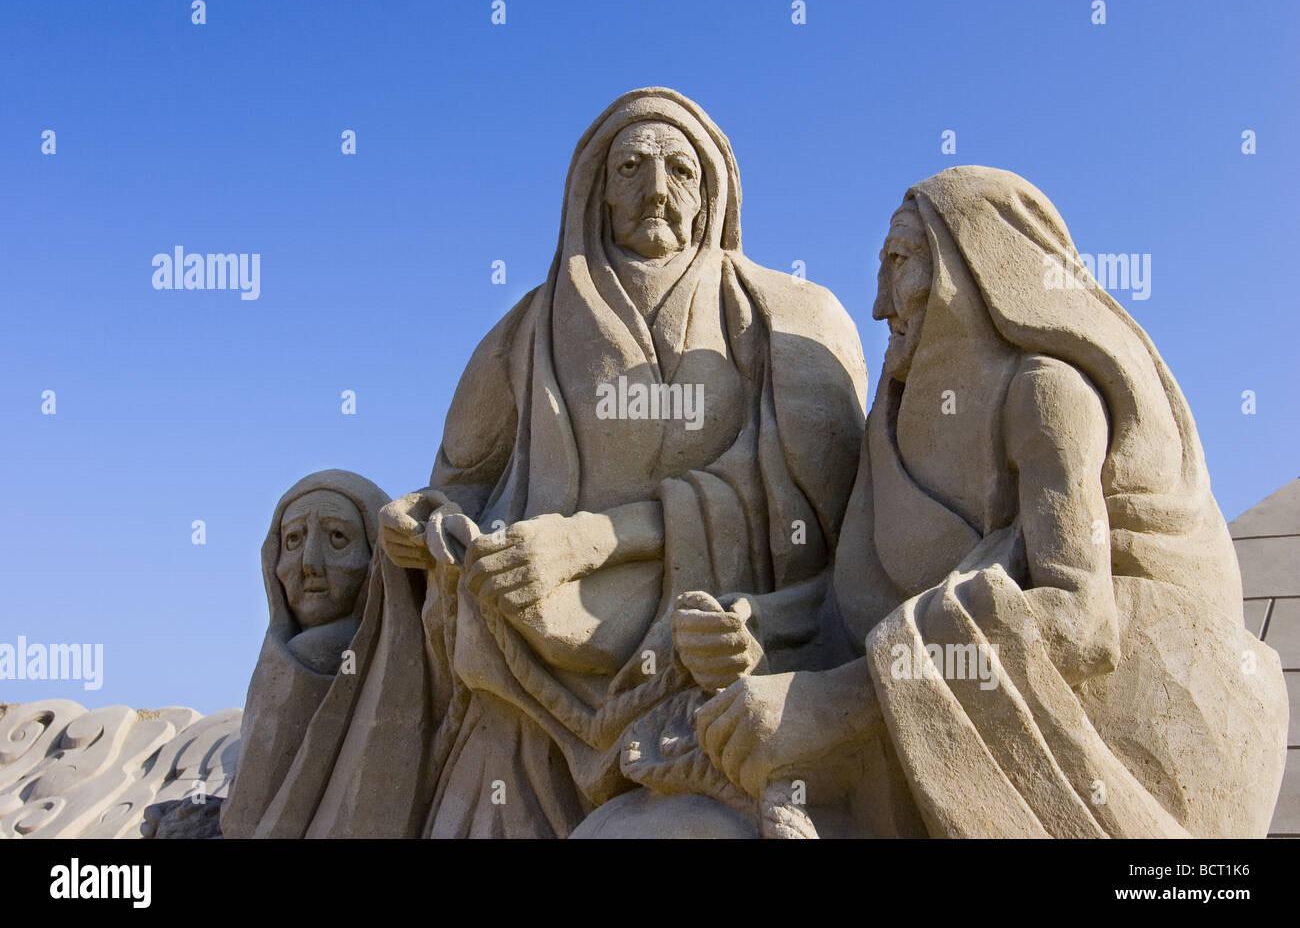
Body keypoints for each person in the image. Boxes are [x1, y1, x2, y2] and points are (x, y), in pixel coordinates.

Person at [685, 166, 1288, 838]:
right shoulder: (893, 424)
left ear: (974, 268)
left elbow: (1080, 626)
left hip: (1108, 750)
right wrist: (760, 629)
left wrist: (832, 703)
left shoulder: (1047, 393)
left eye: (901, 263)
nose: (882, 303)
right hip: (917, 727)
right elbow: (855, 606)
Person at [379, 88, 869, 837]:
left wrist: (588, 541)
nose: (655, 190)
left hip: (713, 657)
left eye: (680, 171)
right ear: (595, 190)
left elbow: (817, 504)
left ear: (710, 198)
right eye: (631, 167)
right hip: (527, 674)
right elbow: (460, 487)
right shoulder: (523, 334)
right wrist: (427, 523)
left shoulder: (783, 318)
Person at [222, 469, 438, 838]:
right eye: (293, 540)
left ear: (375, 557)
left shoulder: (314, 651)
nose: (310, 562)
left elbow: (243, 819)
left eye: (337, 537)